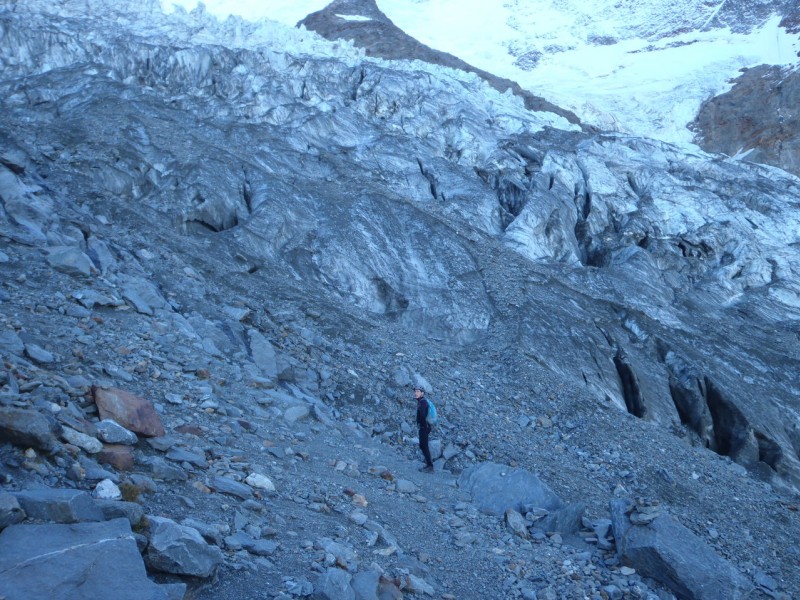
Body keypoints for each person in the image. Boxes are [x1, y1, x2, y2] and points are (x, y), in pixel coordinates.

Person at [415, 386, 434, 472]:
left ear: (422, 393)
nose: (416, 393)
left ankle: (430, 466)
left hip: (424, 427)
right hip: (424, 427)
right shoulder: (421, 402)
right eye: (415, 391)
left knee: (424, 446)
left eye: (418, 391)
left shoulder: (422, 402)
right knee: (422, 445)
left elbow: (422, 415)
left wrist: (423, 426)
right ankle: (428, 465)